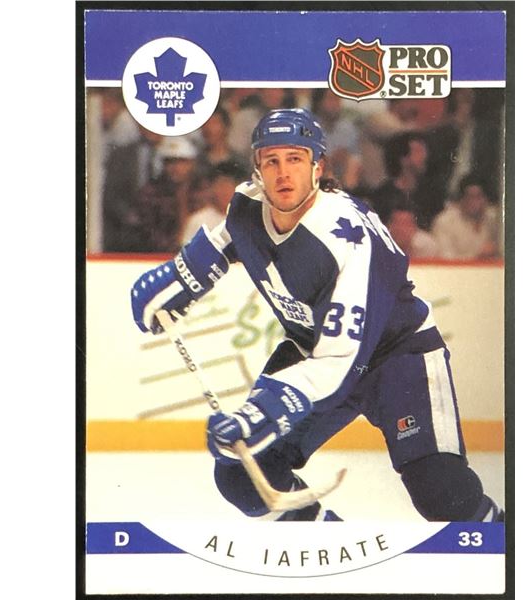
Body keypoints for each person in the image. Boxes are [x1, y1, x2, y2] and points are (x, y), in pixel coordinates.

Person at [130, 108, 503, 523]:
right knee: (244, 474)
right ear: (257, 168)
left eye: (295, 158)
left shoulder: (346, 234)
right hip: (315, 348)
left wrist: (266, 410)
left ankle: (502, 539)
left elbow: (341, 359)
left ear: (317, 167)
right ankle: (326, 543)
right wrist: (179, 279)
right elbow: (223, 243)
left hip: (398, 355)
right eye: (271, 160)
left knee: (444, 496)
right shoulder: (247, 206)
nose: (283, 173)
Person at [137, 136, 204, 253]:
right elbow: (147, 231)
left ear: (192, 163)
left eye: (182, 162)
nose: (176, 168)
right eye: (170, 162)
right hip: (160, 255)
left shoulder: (203, 189)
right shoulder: (151, 192)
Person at [431, 174, 502, 260]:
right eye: (470, 196)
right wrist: (477, 257)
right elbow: (445, 259)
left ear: (486, 199)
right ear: (461, 199)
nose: (474, 202)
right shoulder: (444, 222)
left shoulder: (495, 219)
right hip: (458, 268)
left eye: (479, 196)